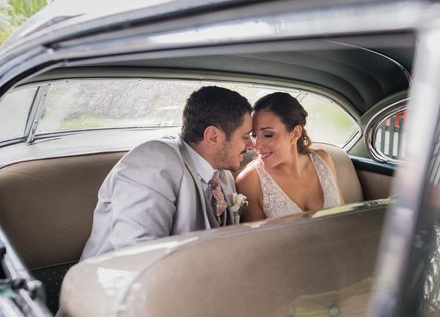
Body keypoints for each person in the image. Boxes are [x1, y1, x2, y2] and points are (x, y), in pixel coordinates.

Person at [80, 86, 254, 260]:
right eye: (246, 136)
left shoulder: (222, 175)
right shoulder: (153, 161)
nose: (251, 146)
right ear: (213, 136)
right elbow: (138, 255)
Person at [236, 92, 344, 221]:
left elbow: (345, 217)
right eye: (254, 135)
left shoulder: (323, 160)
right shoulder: (249, 181)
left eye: (268, 134)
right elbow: (256, 239)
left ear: (295, 133)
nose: (256, 145)